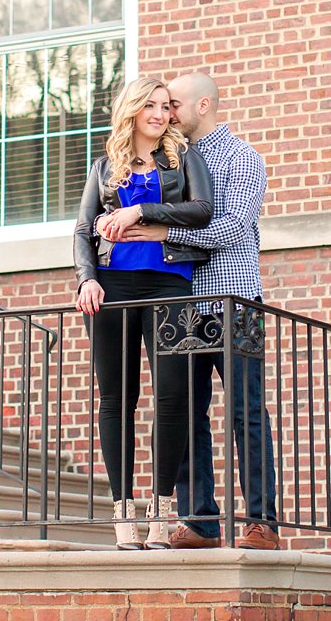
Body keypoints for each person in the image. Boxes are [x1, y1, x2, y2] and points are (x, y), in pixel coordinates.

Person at [107, 71, 280, 550]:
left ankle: (262, 521)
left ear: (202, 106)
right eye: (160, 106)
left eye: (175, 104)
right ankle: (200, 520)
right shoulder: (169, 162)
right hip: (178, 303)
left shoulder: (242, 158)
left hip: (233, 298)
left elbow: (235, 228)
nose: (166, 114)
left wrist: (169, 235)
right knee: (185, 411)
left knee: (246, 411)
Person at [73, 76, 215, 550]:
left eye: (164, 106)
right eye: (149, 106)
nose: (160, 114)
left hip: (169, 284)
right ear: (132, 111)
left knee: (173, 396)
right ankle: (122, 514)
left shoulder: (182, 160)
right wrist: (86, 278)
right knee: (117, 398)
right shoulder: (103, 166)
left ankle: (160, 509)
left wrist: (139, 213)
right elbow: (81, 232)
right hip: (111, 287)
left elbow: (202, 211)